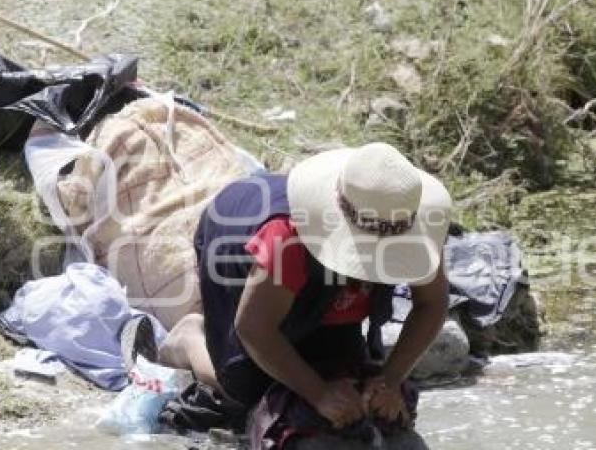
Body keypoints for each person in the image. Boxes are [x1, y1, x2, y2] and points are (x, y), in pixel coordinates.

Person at [125, 142, 452, 429]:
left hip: (323, 291)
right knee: (246, 391)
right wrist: (319, 394)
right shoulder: (288, 238)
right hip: (237, 246)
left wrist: (390, 380)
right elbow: (254, 328)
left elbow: (431, 303)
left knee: (350, 375)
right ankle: (190, 339)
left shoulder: (410, 224)